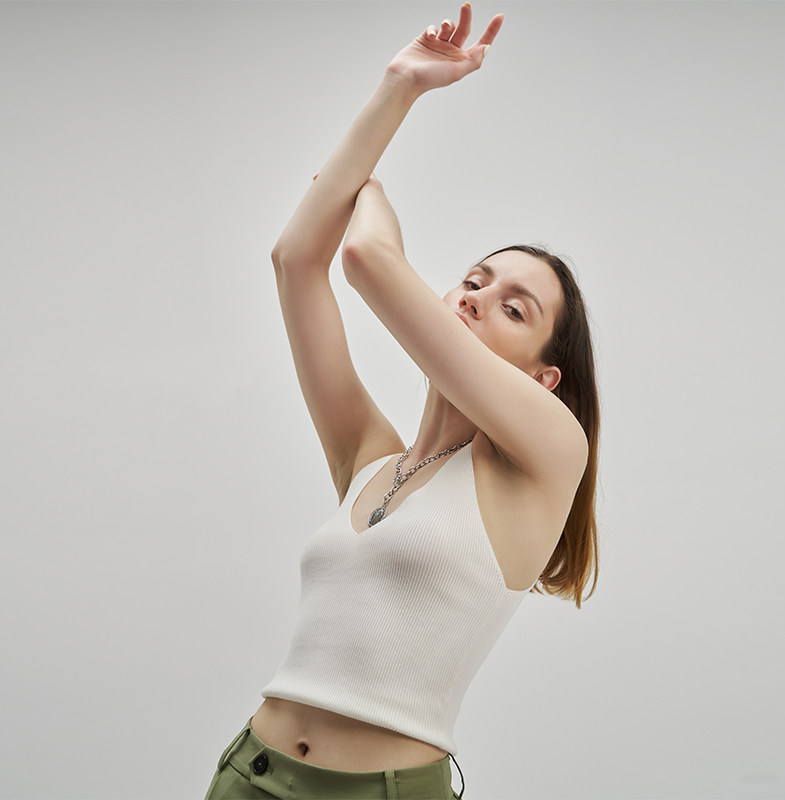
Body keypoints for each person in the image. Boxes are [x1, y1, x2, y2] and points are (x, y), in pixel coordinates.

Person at [204, 4, 599, 799]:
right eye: (474, 280)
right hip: (249, 771)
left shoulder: (553, 454)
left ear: (543, 379)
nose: (476, 296)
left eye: (513, 307)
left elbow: (363, 255)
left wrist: (367, 187)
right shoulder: (371, 459)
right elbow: (295, 261)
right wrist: (400, 83)